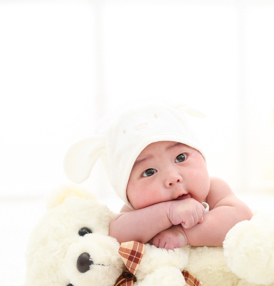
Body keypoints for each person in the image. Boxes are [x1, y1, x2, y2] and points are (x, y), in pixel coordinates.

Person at [64, 103, 252, 250]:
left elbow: (241, 217)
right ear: (126, 192)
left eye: (180, 157)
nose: (173, 177)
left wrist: (184, 235)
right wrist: (167, 214)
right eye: (149, 172)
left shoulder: (214, 190)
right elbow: (116, 234)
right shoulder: (133, 212)